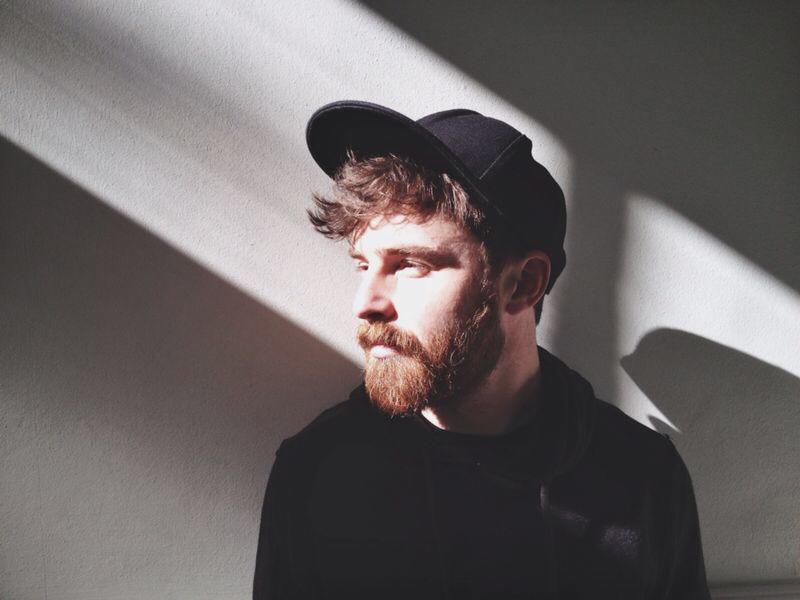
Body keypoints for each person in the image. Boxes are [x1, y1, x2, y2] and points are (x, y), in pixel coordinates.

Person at [253, 100, 710, 599]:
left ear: (523, 284)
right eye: (363, 265)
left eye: (410, 264)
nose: (366, 304)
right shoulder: (316, 474)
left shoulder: (643, 477)